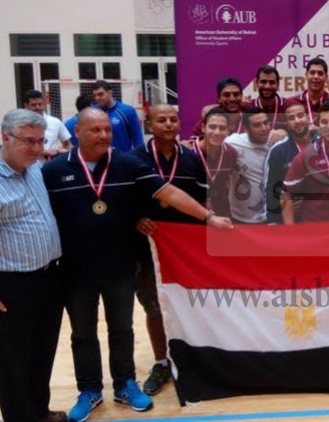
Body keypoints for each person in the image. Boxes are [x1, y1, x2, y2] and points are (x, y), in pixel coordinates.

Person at [42, 108, 233, 422]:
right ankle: (89, 390)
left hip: (120, 264)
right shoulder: (53, 171)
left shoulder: (127, 164)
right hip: (76, 269)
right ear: (76, 132)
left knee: (122, 328)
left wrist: (209, 217)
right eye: (95, 130)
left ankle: (125, 384)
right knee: (83, 333)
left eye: (107, 129)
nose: (104, 135)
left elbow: (168, 192)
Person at [0, 109, 66, 422]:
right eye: (29, 141)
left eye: (41, 141)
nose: (37, 148)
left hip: (47, 279)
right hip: (8, 286)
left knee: (41, 354)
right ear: (5, 138)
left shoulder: (34, 169)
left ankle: (39, 412)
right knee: (13, 364)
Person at [129, 104, 208, 396]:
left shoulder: (192, 159)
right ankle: (162, 362)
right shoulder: (134, 159)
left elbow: (204, 200)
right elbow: (122, 200)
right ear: (149, 124)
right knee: (154, 306)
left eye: (173, 119)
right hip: (147, 249)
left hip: (185, 250)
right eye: (161, 120)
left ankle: (191, 358)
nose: (168, 124)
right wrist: (135, 218)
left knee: (190, 304)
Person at [282, 100, 329, 223]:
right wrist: (289, 229)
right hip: (315, 228)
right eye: (324, 122)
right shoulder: (306, 156)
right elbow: (286, 194)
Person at [264, 100, 315, 224]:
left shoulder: (322, 145)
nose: (297, 121)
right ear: (286, 123)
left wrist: (307, 200)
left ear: (308, 117)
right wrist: (273, 222)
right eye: (291, 118)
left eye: (300, 115)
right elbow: (271, 189)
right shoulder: (278, 151)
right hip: (290, 219)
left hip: (320, 216)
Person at [225, 107, 272, 224]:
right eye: (257, 125)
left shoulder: (277, 142)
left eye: (266, 123)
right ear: (246, 128)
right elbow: (210, 143)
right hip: (239, 217)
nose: (264, 128)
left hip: (271, 217)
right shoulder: (233, 142)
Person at [197, 108, 238, 218]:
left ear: (228, 131)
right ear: (203, 128)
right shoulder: (190, 151)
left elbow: (228, 181)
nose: (217, 132)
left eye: (222, 128)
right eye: (212, 127)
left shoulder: (231, 153)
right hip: (195, 213)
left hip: (222, 213)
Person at [91, 80, 144, 151]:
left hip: (123, 156)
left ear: (110, 93)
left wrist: (138, 156)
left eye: (100, 94)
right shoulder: (92, 112)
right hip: (100, 156)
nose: (97, 98)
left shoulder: (127, 111)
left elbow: (138, 138)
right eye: (95, 95)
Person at [23, 89, 72, 158]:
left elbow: (68, 145)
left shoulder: (55, 122)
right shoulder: (19, 124)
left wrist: (62, 153)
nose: (37, 107)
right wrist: (44, 152)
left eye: (40, 104)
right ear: (26, 105)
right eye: (33, 105)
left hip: (50, 163)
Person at [294, 58, 329, 125]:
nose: (316, 77)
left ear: (326, 77)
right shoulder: (293, 103)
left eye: (320, 73)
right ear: (306, 75)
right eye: (312, 73)